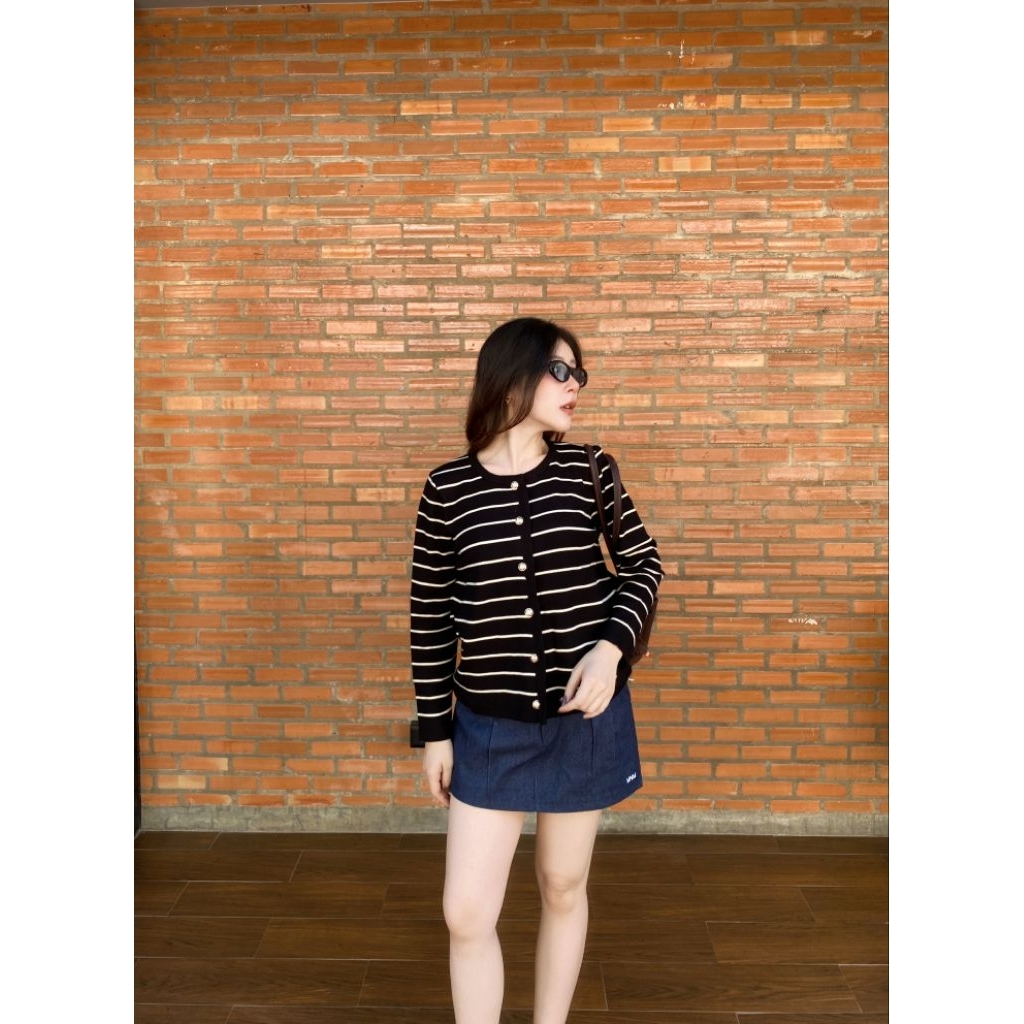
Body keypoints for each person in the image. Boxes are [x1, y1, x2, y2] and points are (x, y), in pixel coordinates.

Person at [410, 317, 663, 1024]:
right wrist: (436, 733)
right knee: (465, 912)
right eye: (560, 370)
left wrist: (611, 648)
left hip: (582, 721)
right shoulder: (446, 491)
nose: (574, 385)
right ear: (510, 377)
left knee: (562, 884)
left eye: (579, 373)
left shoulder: (591, 470)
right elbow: (430, 619)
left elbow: (644, 565)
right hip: (489, 729)